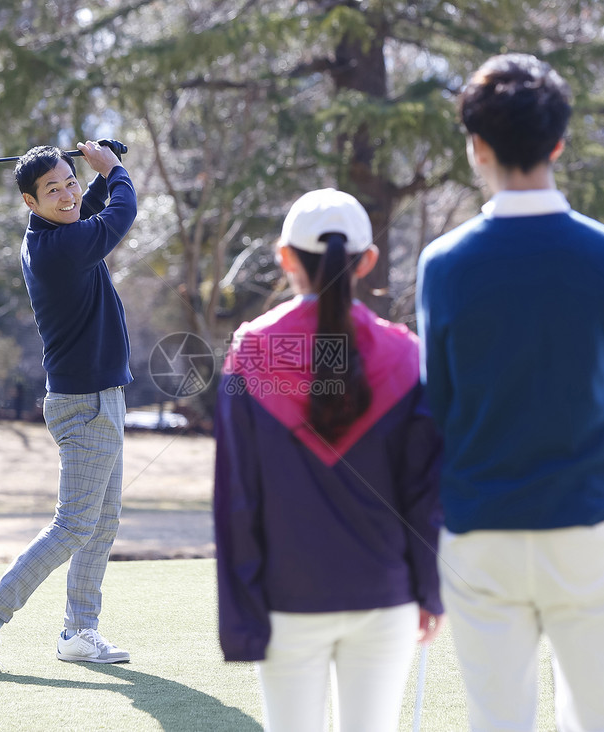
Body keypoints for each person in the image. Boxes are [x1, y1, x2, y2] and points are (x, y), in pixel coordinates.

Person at [416, 54, 604, 731]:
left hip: (483, 530)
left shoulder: (446, 264)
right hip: (586, 523)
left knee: (497, 720)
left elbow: (443, 408)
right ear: (558, 142)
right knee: (603, 717)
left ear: (476, 146)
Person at [214, 188, 444, 732]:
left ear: (285, 257)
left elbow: (236, 498)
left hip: (286, 598)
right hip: (385, 596)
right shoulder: (407, 355)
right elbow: (427, 491)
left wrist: (244, 614)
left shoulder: (251, 351)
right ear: (367, 261)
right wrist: (430, 590)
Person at [0, 140, 137, 672]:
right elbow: (117, 216)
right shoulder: (62, 247)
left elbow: (91, 211)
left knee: (101, 521)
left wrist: (97, 176)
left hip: (101, 397)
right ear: (30, 203)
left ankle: (80, 631)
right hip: (86, 405)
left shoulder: (55, 234)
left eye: (70, 181)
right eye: (52, 189)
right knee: (76, 524)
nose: (66, 193)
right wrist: (117, 170)